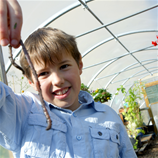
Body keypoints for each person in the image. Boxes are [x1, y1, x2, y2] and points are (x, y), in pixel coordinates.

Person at [0, 1, 137, 158]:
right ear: (31, 81)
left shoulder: (109, 117)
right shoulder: (22, 112)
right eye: (43, 73)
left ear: (79, 65)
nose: (57, 80)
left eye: (64, 66)